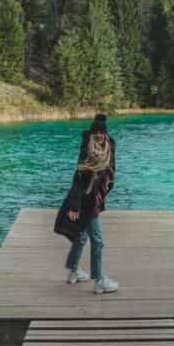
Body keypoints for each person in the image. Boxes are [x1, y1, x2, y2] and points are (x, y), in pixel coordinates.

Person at [64, 112, 119, 293]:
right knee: (97, 240)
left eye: (102, 132)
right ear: (91, 133)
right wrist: (74, 206)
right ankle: (99, 281)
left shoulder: (108, 148)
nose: (99, 135)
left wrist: (104, 192)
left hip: (94, 198)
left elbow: (110, 172)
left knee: (81, 237)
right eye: (96, 132)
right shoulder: (86, 151)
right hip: (86, 201)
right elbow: (78, 180)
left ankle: (74, 272)